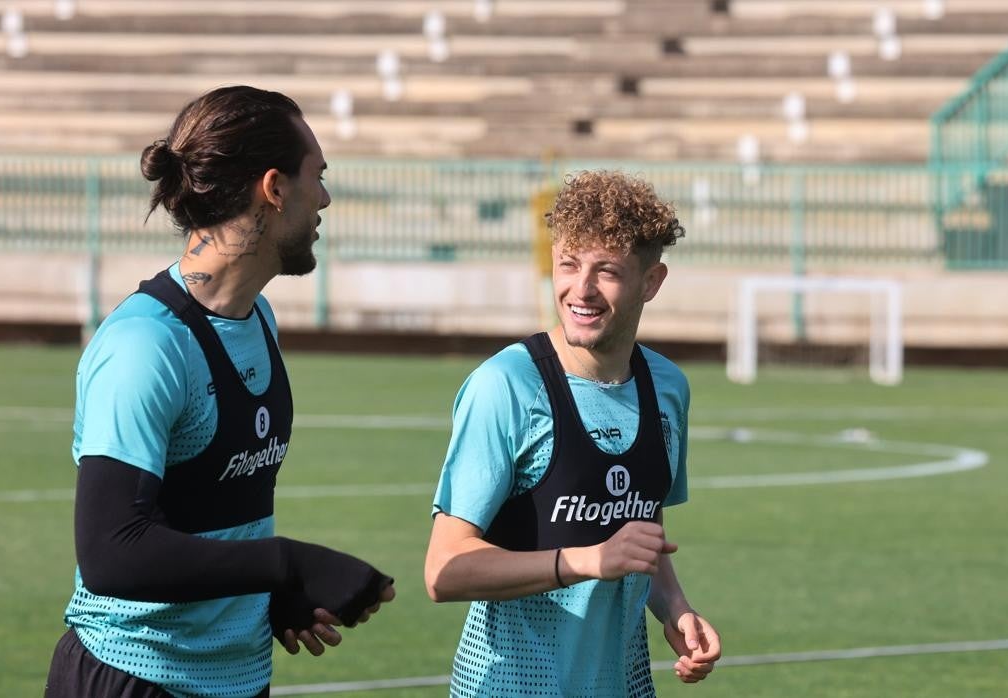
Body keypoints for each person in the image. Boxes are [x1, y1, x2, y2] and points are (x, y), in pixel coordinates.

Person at [45, 86, 395, 698]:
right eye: (318, 175)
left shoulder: (258, 319)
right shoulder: (146, 345)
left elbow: (212, 519)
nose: (326, 198)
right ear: (274, 187)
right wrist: (289, 563)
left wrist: (269, 596)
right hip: (136, 678)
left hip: (237, 677)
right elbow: (112, 553)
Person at [425, 170, 721, 696]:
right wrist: (584, 561)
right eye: (568, 264)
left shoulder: (667, 388)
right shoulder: (506, 385)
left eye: (606, 270)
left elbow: (641, 532)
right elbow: (444, 570)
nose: (580, 290)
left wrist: (675, 609)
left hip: (623, 685)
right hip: (509, 688)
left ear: (652, 281)